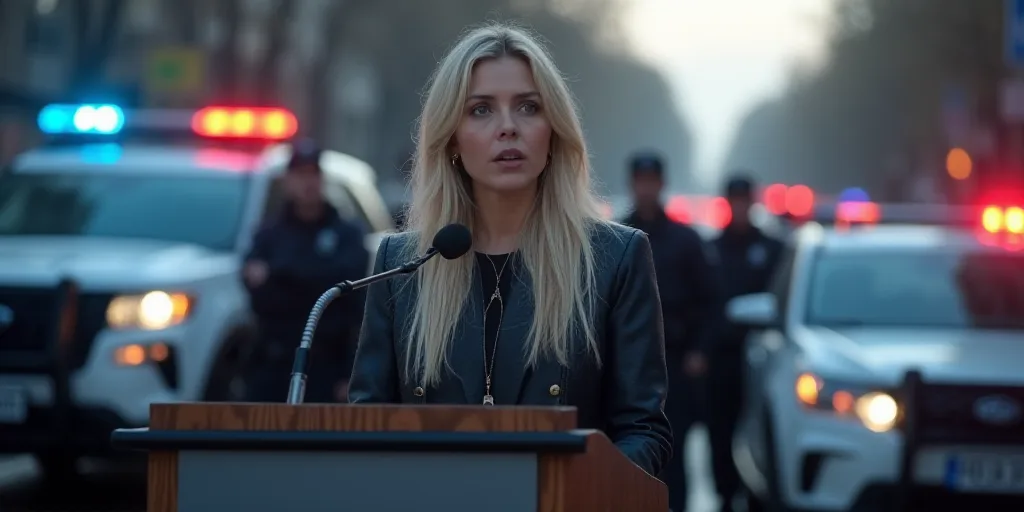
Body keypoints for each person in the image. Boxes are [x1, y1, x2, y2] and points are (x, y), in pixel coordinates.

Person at [348, 23, 673, 477]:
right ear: (453, 138)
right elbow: (366, 428)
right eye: (481, 109)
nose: (507, 127)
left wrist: (571, 491)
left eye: (527, 107)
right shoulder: (402, 267)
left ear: (553, 130)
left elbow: (644, 432)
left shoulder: (615, 259)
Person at [621, 152, 722, 511]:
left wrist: (700, 351)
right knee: (624, 453)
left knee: (672, 453)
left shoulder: (686, 241)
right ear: (632, 184)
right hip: (626, 364)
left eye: (652, 181)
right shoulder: (616, 240)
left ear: (661, 184)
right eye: (640, 180)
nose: (646, 188)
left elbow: (711, 301)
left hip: (674, 364)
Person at [242, 139, 370, 403]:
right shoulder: (268, 235)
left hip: (329, 366)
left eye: (314, 174)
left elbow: (351, 295)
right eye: (300, 174)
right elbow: (257, 295)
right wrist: (316, 276)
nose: (308, 182)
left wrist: (277, 274)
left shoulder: (347, 234)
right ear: (287, 180)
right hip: (274, 366)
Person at [708, 174, 783, 512]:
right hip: (722, 358)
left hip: (765, 356)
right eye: (734, 200)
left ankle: (758, 494)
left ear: (752, 202)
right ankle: (724, 495)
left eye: (744, 200)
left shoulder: (773, 248)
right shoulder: (711, 249)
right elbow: (704, 303)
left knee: (760, 430)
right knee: (720, 431)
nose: (739, 207)